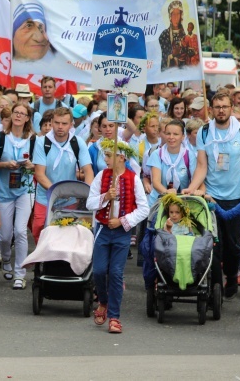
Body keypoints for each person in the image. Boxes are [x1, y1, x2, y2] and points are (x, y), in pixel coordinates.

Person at [184, 92, 240, 298]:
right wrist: (192, 188)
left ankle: (232, 277)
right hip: (211, 197)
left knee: (233, 247)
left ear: (231, 108)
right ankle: (216, 286)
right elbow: (201, 166)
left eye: (224, 106)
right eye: (217, 107)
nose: (221, 110)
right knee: (214, 244)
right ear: (212, 109)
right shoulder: (204, 133)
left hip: (235, 198)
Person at [87, 139, 149, 334]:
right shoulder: (101, 176)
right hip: (103, 232)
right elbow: (89, 203)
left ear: (121, 157)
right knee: (98, 271)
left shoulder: (133, 178)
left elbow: (144, 208)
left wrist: (123, 221)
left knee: (115, 273)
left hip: (121, 233)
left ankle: (114, 316)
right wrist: (105, 197)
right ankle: (103, 301)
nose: (105, 159)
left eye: (108, 155)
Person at [33, 107, 94, 242]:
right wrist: (57, 192)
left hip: (69, 198)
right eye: (57, 123)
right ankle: (42, 259)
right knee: (38, 229)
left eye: (64, 123)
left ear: (71, 125)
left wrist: (88, 193)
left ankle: (60, 261)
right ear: (52, 122)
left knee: (65, 234)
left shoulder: (77, 143)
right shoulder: (42, 142)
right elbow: (40, 174)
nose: (60, 127)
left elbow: (88, 171)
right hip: (45, 196)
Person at [0, 103, 36, 290]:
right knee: (4, 235)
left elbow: (39, 165)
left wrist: (29, 165)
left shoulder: (34, 140)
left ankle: (20, 273)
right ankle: (6, 258)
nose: (18, 116)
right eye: (16, 112)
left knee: (20, 231)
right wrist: (5, 165)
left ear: (27, 118)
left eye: (22, 114)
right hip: (3, 190)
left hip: (25, 190)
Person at [147, 120, 199, 208]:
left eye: (175, 134)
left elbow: (195, 179)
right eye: (168, 134)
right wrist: (168, 194)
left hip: (182, 203)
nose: (171, 137)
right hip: (159, 201)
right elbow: (156, 182)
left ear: (183, 136)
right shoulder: (157, 154)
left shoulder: (189, 155)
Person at [159, 0, 187, 71]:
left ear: (181, 15)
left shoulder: (184, 35)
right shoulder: (164, 35)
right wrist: (172, 55)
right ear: (170, 16)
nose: (176, 17)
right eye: (173, 14)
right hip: (169, 74)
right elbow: (163, 55)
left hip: (182, 74)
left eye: (178, 14)